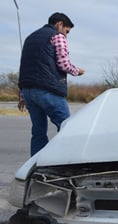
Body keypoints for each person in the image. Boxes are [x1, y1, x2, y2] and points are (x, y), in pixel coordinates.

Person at [18, 12, 84, 156]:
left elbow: (25, 67)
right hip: (47, 90)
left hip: (28, 92)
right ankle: (65, 163)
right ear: (59, 24)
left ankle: (37, 166)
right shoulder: (57, 36)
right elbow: (63, 64)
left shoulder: (30, 38)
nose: (66, 35)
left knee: (38, 132)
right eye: (67, 31)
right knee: (68, 128)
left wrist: (22, 95)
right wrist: (77, 71)